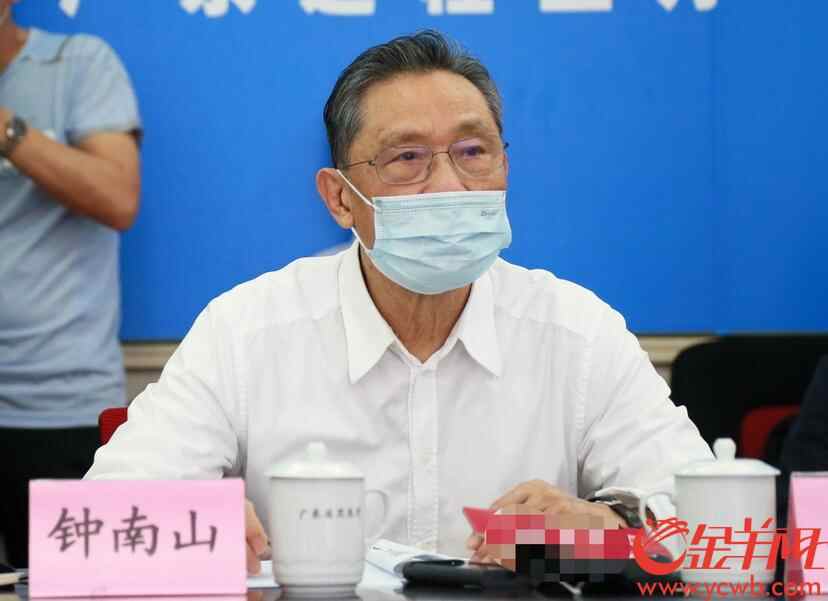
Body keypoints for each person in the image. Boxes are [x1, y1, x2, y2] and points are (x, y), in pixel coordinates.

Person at [86, 30, 711, 573]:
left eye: (473, 152)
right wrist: (189, 526)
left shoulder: (578, 332)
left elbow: (719, 530)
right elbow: (98, 522)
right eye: (407, 158)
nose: (448, 184)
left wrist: (610, 528)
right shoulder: (247, 332)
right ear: (340, 198)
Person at [0, 0, 141, 568]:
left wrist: (8, 130)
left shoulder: (78, 62)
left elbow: (118, 198)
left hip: (58, 405)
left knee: (73, 584)